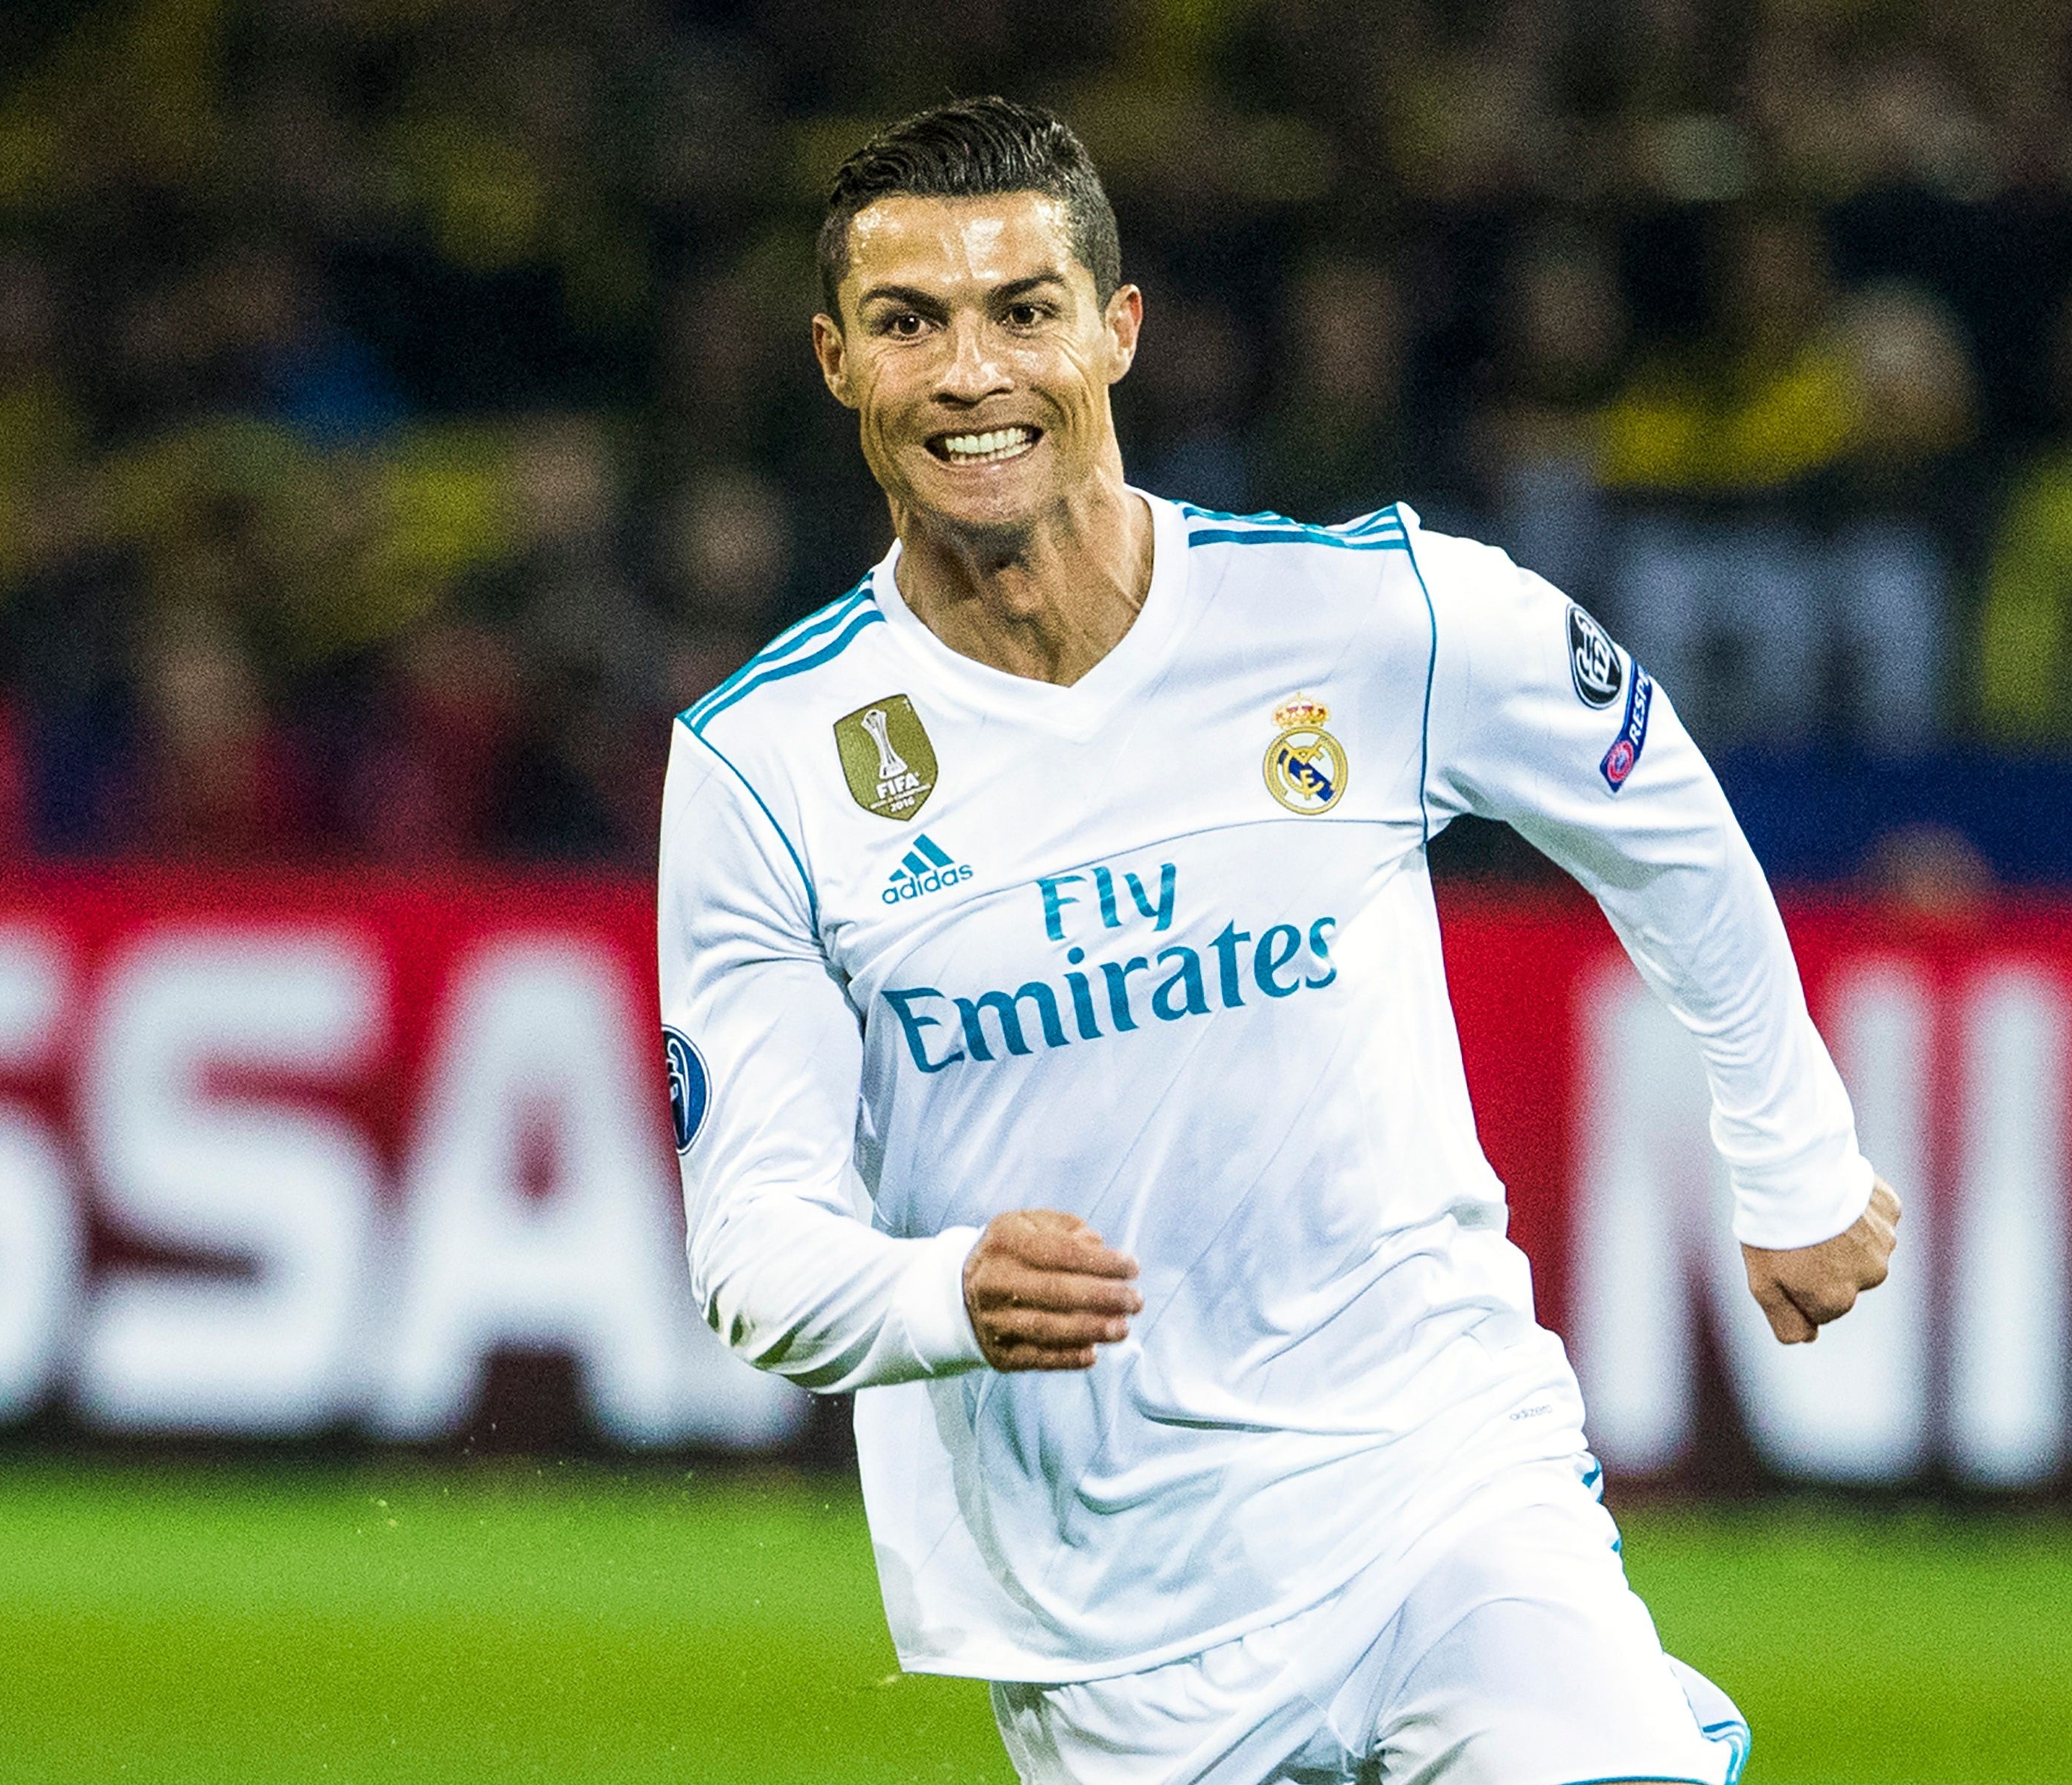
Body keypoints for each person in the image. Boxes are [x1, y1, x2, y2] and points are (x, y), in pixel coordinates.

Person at [657, 98, 1898, 1785]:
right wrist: (942, 1289)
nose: (969, 374)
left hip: (1440, 1487)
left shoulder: (1370, 615)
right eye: (907, 324)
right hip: (1112, 1631)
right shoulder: (768, 763)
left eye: (1023, 310)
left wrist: (1796, 1151)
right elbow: (753, 1257)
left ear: (1118, 328)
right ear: (834, 361)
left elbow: (1647, 795)